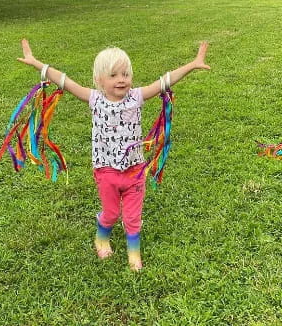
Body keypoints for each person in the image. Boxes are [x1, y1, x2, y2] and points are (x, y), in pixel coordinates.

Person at [17, 39, 210, 271]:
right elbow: (65, 81)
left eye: (126, 74)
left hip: (135, 171)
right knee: (110, 213)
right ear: (99, 80)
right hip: (106, 170)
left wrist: (192, 64)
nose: (122, 79)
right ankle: (101, 238)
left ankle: (134, 252)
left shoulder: (137, 96)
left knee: (132, 217)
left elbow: (164, 81)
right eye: (114, 75)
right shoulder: (94, 99)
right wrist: (38, 64)